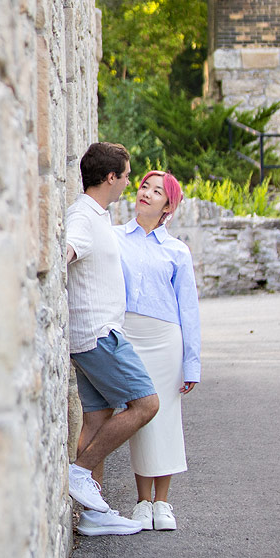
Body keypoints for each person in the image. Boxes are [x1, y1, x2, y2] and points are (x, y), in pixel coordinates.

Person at [65, 142, 160, 536]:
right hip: (99, 335)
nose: (128, 182)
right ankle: (79, 472)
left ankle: (93, 513)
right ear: (111, 177)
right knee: (146, 404)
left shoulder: (96, 215)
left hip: (93, 335)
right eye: (126, 175)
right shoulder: (84, 218)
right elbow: (65, 252)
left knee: (100, 417)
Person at [116, 171, 201, 532]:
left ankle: (163, 502)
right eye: (144, 187)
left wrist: (191, 363)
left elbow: (189, 310)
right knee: (141, 416)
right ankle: (141, 502)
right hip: (129, 336)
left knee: (165, 416)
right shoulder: (115, 238)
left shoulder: (177, 251)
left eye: (157, 191)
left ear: (169, 205)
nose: (147, 194)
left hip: (167, 339)